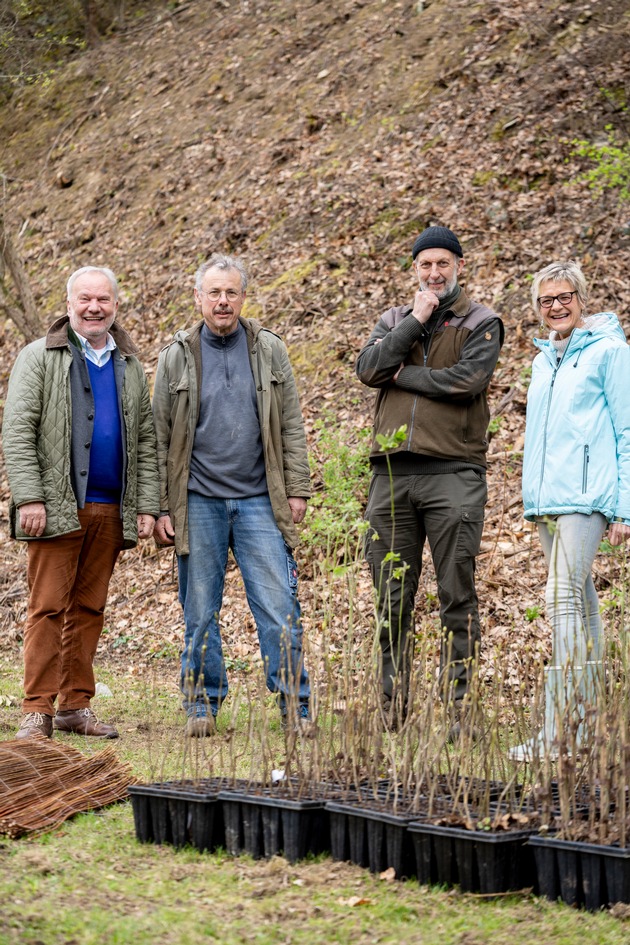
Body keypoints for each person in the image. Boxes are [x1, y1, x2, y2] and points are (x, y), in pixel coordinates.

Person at [152, 252, 311, 736]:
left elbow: (290, 424)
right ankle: (201, 704)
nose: (223, 301)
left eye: (231, 292)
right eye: (214, 292)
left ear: (243, 297)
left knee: (278, 607)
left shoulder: (268, 349)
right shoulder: (177, 354)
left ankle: (295, 707)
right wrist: (161, 507)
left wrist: (298, 487)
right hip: (197, 499)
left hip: (261, 497)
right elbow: (157, 436)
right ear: (198, 297)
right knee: (200, 610)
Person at [355, 225, 504, 734]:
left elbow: (466, 383)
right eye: (425, 265)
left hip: (454, 475)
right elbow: (369, 368)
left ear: (459, 265)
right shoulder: (395, 319)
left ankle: (460, 709)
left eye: (443, 263)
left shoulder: (482, 321)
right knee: (391, 595)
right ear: (414, 269)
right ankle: (392, 707)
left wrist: (404, 375)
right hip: (392, 475)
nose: (435, 272)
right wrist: (414, 323)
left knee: (455, 592)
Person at [2, 266, 159, 740]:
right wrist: (29, 496)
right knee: (47, 607)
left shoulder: (128, 363)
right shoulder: (40, 355)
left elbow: (146, 439)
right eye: (85, 299)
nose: (95, 308)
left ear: (115, 305)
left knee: (89, 608)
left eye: (103, 300)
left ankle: (74, 706)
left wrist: (147, 505)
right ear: (69, 304)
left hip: (111, 506)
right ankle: (36, 709)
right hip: (55, 506)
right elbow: (17, 431)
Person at [511, 261, 630, 761]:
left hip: (587, 499)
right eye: (546, 300)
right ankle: (589, 725)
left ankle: (560, 731)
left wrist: (625, 508)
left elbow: (627, 431)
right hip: (549, 501)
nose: (555, 306)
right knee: (581, 606)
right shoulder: (544, 359)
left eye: (564, 297)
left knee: (561, 601)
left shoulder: (610, 352)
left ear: (582, 298)